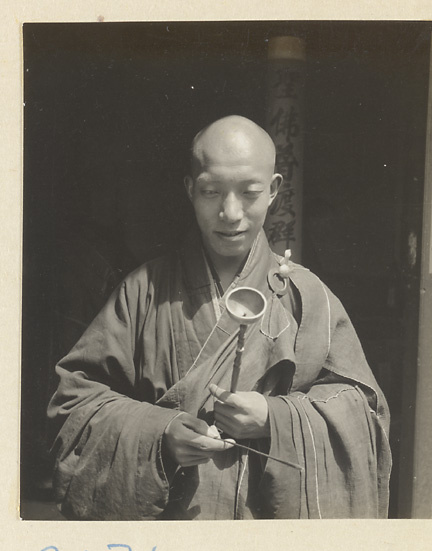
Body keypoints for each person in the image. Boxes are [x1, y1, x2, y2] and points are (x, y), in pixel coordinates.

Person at [47, 115, 392, 520]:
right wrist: (160, 434)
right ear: (190, 190)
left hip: (263, 545)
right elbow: (75, 403)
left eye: (249, 192)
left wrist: (275, 419)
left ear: (274, 191)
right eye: (212, 191)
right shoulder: (143, 290)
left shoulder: (308, 296)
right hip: (167, 539)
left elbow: (364, 414)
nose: (230, 213)